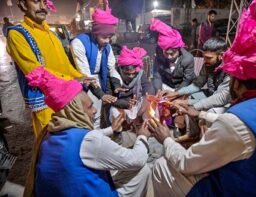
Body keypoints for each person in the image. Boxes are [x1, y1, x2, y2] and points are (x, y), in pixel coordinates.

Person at [148, 1, 256, 196]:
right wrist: (190, 105)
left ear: (236, 80)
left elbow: (187, 163)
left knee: (161, 165)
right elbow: (244, 127)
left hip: (250, 189)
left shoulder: (236, 120)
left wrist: (167, 139)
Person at [24, 67, 151, 197]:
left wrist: (111, 129)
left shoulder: (48, 133)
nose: (95, 110)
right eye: (90, 106)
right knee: (143, 169)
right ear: (76, 110)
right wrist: (142, 136)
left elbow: (79, 140)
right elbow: (137, 159)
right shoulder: (89, 140)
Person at [6, 0, 83, 136]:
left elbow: (66, 65)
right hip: (47, 105)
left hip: (68, 99)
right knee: (53, 148)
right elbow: (36, 73)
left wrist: (80, 77)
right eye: (36, 1)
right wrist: (71, 81)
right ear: (23, 5)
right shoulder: (17, 34)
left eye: (44, 2)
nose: (42, 7)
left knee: (73, 141)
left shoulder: (52, 34)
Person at [71, 2, 122, 128]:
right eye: (104, 37)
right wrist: (101, 94)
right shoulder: (79, 43)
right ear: (95, 33)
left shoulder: (107, 47)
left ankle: (96, 140)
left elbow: (111, 69)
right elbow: (85, 74)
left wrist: (116, 85)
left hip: (97, 80)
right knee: (83, 117)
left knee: (96, 115)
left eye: (110, 37)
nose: (107, 41)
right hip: (81, 83)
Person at [163, 37, 230, 112]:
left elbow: (221, 98)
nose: (204, 60)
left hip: (226, 102)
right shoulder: (208, 64)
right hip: (211, 94)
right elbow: (197, 85)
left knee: (211, 110)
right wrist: (176, 93)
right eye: (204, 57)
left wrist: (188, 104)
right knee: (188, 97)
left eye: (208, 58)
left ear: (221, 55)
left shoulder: (231, 70)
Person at [109, 46, 155, 127]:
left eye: (133, 73)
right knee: (114, 113)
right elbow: (110, 98)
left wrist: (147, 97)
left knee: (149, 107)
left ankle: (144, 130)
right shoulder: (113, 77)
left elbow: (147, 86)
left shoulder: (140, 74)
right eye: (127, 74)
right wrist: (126, 104)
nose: (131, 76)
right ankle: (118, 132)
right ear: (120, 69)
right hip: (119, 104)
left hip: (135, 102)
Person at [150, 18, 195, 92]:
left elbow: (187, 80)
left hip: (182, 87)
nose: (169, 57)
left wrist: (176, 93)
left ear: (178, 49)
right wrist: (159, 90)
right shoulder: (159, 55)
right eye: (166, 53)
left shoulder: (188, 58)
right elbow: (157, 75)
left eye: (172, 54)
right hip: (166, 86)